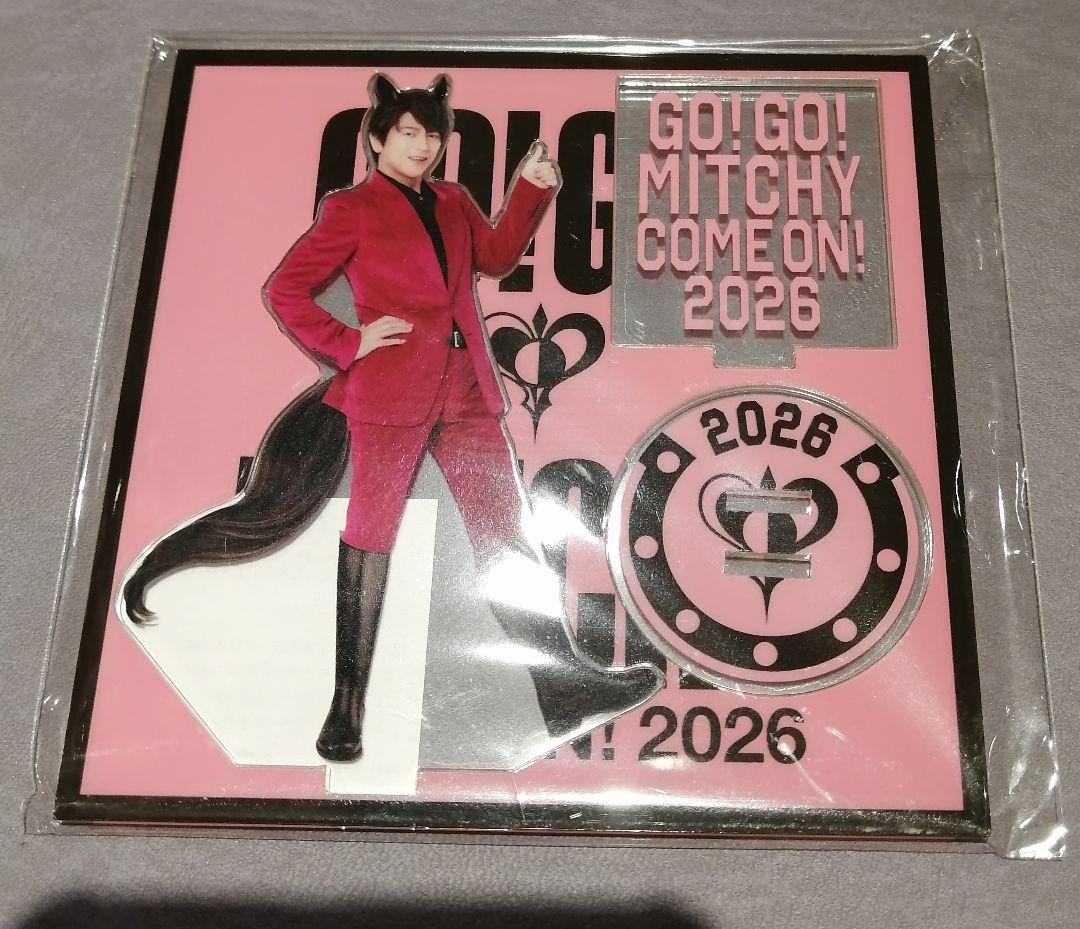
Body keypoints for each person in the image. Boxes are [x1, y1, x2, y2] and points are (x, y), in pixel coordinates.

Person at [121, 73, 661, 763]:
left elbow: (496, 257)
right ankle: (345, 711)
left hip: (466, 391)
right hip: (390, 394)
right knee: (370, 539)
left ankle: (565, 688)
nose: (423, 145)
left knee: (507, 533)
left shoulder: (454, 200)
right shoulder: (351, 209)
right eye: (408, 133)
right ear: (378, 139)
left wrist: (532, 189)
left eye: (433, 134)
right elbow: (285, 290)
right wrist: (349, 344)